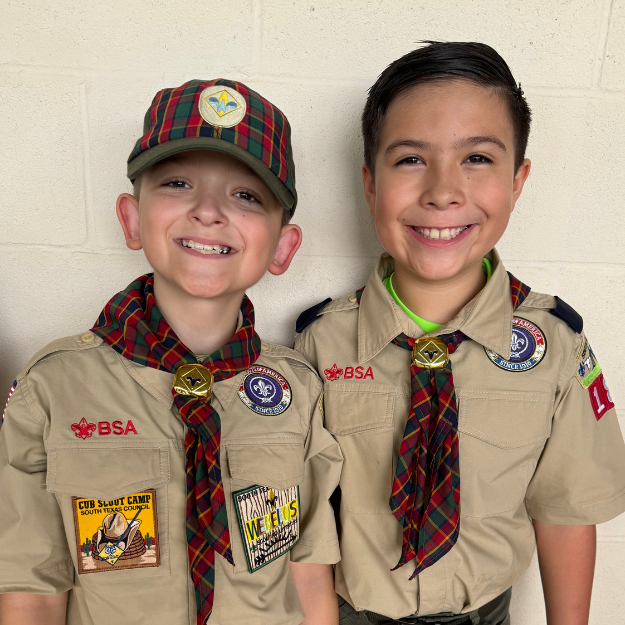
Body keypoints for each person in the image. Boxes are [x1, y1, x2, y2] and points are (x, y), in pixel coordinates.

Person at [294, 42, 625, 625]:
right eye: (410, 159)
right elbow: (305, 525)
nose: (443, 191)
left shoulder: (555, 344)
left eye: (476, 158)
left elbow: (565, 510)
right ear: (370, 184)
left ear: (517, 181)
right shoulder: (322, 343)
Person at [0, 79, 342, 625]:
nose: (208, 211)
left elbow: (308, 572)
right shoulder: (54, 387)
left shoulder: (297, 387)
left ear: (282, 246)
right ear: (132, 219)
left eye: (247, 195)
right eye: (178, 183)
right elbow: (32, 591)